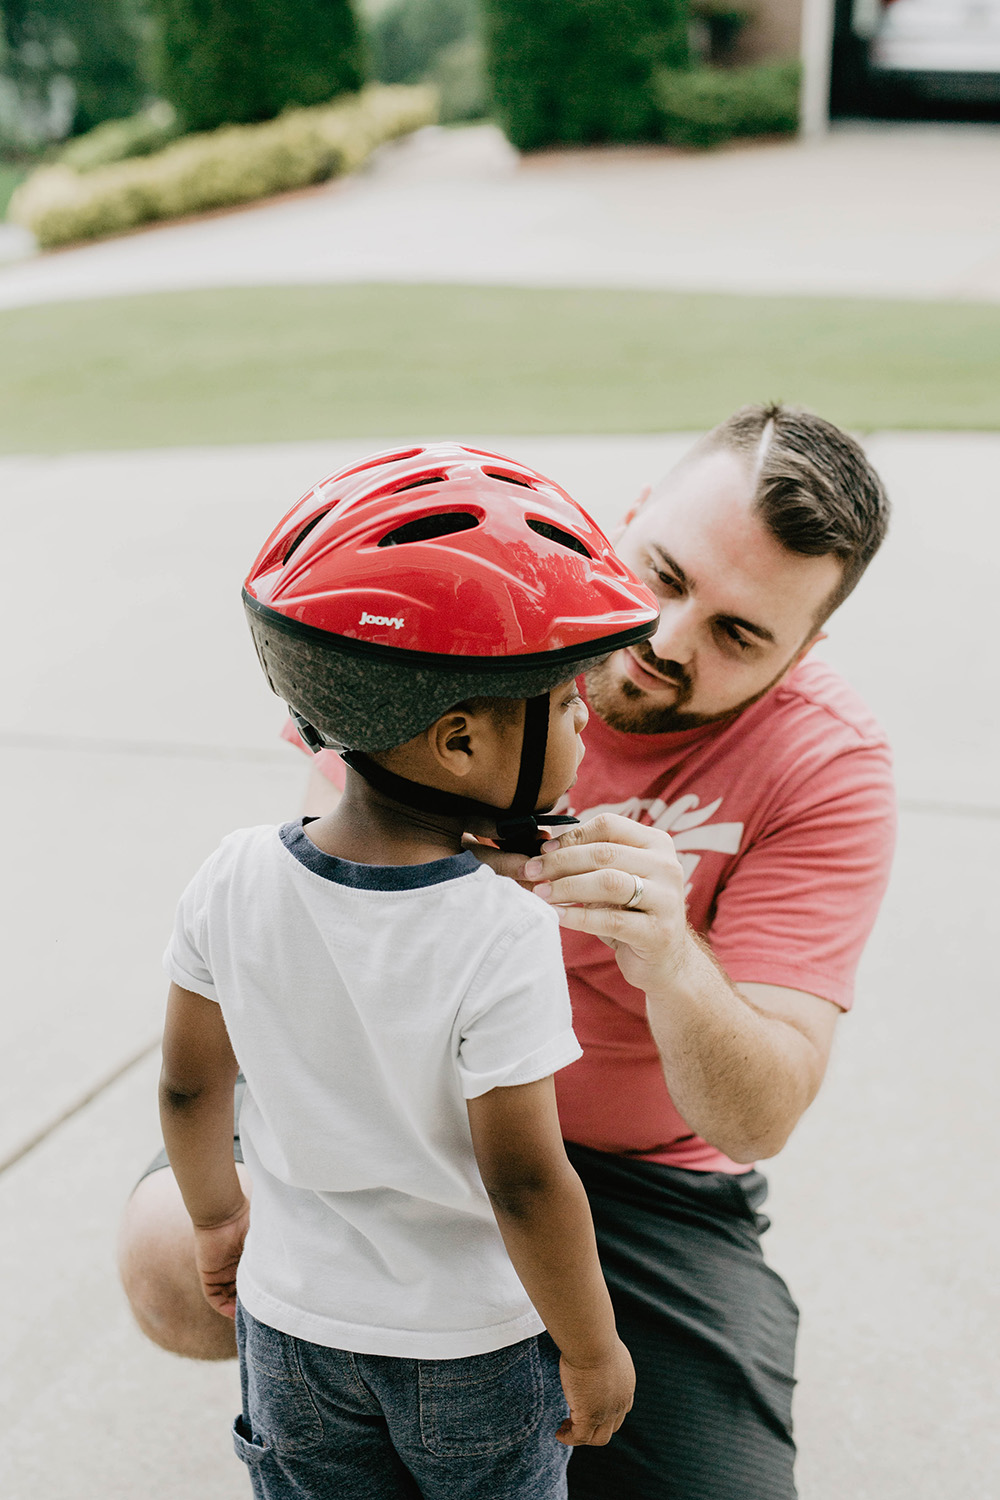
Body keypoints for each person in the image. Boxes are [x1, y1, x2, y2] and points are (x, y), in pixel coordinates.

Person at [120, 403, 895, 1500]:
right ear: (622, 525)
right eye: (664, 576)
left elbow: (754, 1116)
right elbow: (324, 883)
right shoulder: (469, 603)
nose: (666, 644)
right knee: (171, 1262)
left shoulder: (830, 767)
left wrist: (667, 954)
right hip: (383, 1103)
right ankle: (363, 1360)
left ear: (805, 650)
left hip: (639, 1183)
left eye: (738, 634)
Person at [157, 445, 654, 1498]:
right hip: (466, 1349)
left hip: (292, 1326)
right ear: (462, 741)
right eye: (564, 704)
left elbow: (191, 1084)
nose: (584, 723)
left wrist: (214, 1219)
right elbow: (524, 1180)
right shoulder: (499, 931)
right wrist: (592, 1344)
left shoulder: (232, 873)